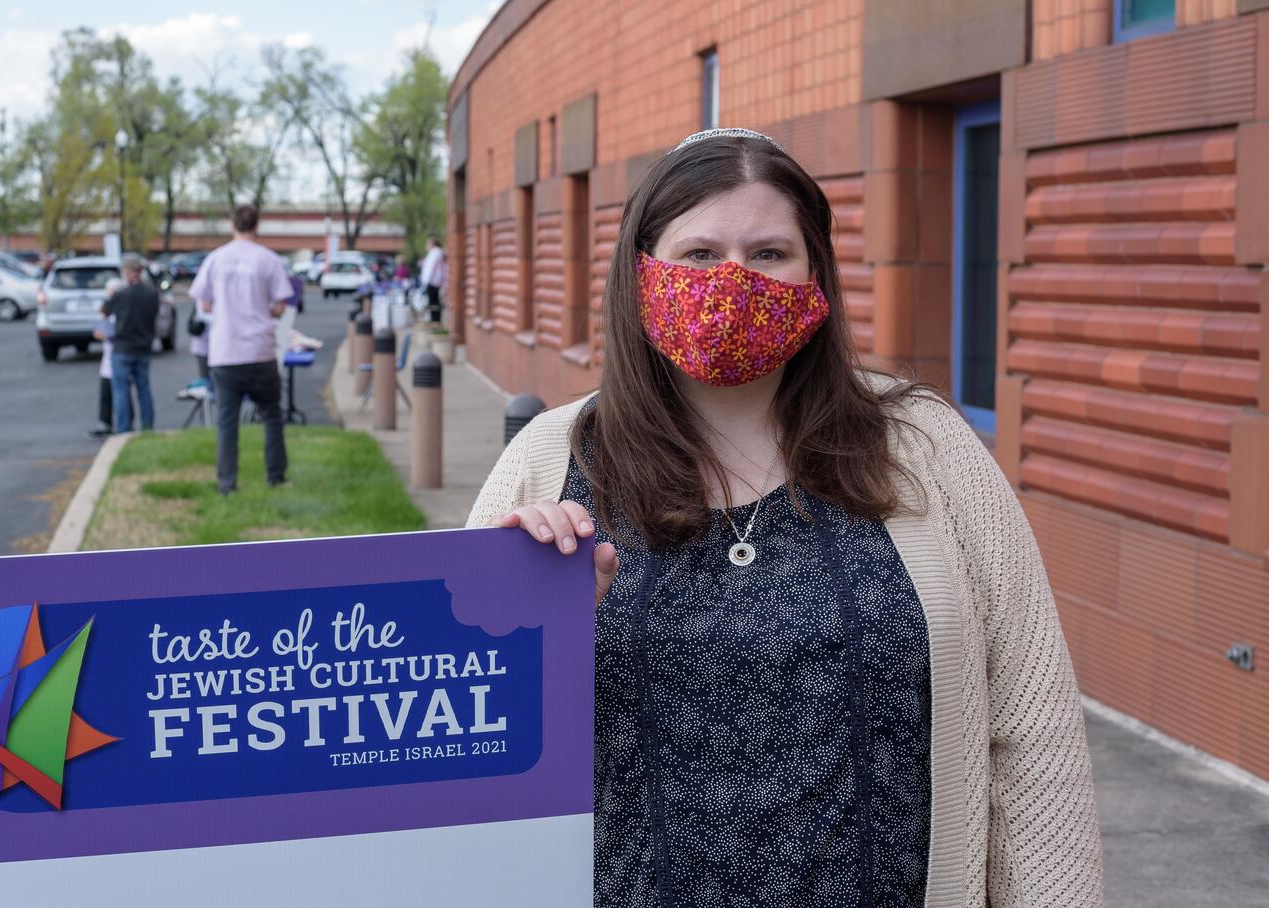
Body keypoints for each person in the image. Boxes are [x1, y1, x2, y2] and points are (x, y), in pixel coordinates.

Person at [468, 128, 1103, 907]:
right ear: (640, 273)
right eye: (699, 255)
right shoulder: (550, 457)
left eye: (769, 253)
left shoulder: (926, 445)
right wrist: (525, 628)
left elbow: (1033, 735)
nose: (733, 282)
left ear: (816, 274)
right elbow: (470, 751)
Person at [193, 203, 295, 495]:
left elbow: (204, 303)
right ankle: (275, 475)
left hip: (225, 351)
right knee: (272, 415)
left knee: (227, 421)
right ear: (257, 225)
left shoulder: (216, 259)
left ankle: (227, 483)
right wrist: (265, 310)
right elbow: (280, 304)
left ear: (232, 225)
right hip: (259, 349)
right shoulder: (268, 259)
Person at [100, 254, 160, 433]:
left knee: (121, 390)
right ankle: (148, 426)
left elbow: (104, 311)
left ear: (126, 272)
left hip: (122, 347)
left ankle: (124, 429)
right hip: (144, 346)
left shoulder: (121, 294)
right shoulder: (151, 294)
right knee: (144, 388)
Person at [89, 279, 129, 438]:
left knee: (121, 391)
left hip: (120, 352)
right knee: (106, 390)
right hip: (109, 355)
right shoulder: (107, 308)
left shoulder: (124, 307)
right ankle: (104, 422)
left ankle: (125, 423)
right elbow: (99, 326)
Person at [419, 236, 445, 323]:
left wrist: (426, 281)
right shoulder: (435, 252)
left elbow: (430, 268)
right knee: (433, 302)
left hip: (432, 282)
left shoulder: (435, 252)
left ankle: (435, 320)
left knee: (433, 302)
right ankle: (434, 319)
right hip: (433, 281)